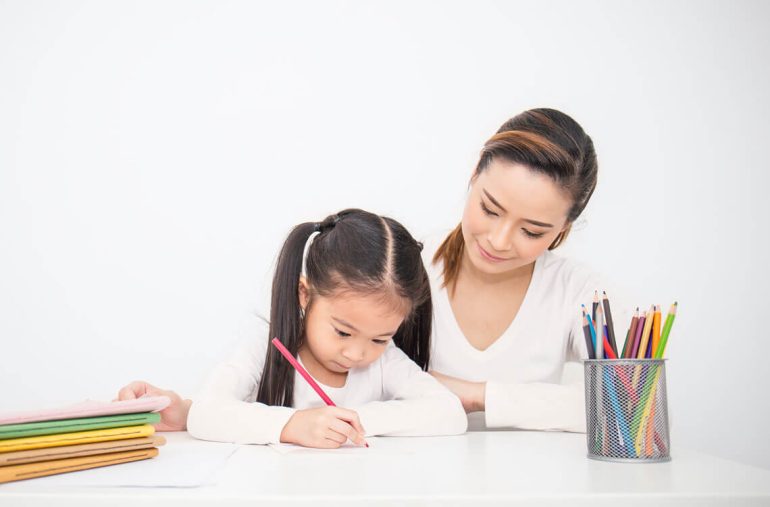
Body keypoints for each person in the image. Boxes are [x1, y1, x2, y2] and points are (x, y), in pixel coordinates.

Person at [118, 209, 466, 447]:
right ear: (305, 293)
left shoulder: (385, 361)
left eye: (379, 338)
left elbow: (449, 413)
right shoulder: (263, 343)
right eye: (343, 332)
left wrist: (350, 421)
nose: (357, 353)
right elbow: (206, 412)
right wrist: (291, 425)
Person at [426, 108, 627, 433]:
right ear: (475, 174)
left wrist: (477, 396)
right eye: (490, 210)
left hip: (529, 468)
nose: (499, 241)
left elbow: (634, 408)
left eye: (532, 232)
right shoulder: (406, 265)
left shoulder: (578, 292)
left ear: (564, 227)